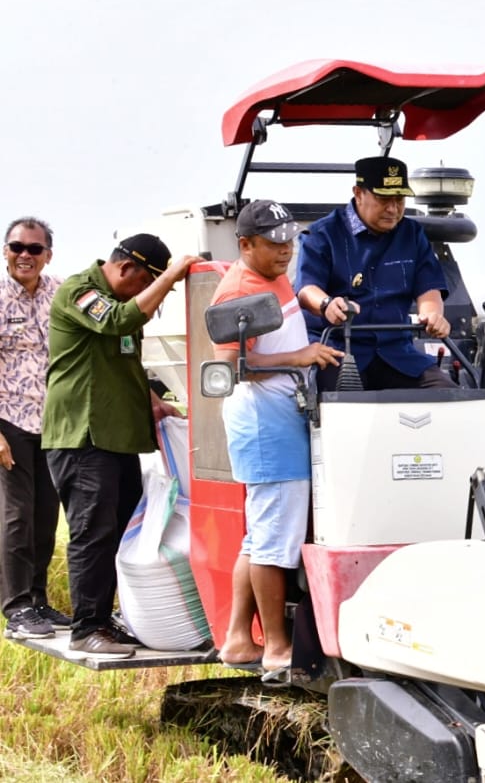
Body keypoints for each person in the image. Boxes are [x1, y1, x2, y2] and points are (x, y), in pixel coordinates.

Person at [42, 234, 199, 658]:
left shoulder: (119, 306)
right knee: (93, 533)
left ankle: (106, 618)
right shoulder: (80, 292)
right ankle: (86, 627)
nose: (151, 294)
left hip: (116, 439)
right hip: (83, 437)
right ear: (128, 269)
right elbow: (116, 323)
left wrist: (154, 402)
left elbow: (122, 357)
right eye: (148, 281)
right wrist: (169, 277)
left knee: (125, 529)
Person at [211, 201, 343, 673]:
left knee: (260, 538)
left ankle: (236, 640)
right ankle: (276, 648)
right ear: (245, 245)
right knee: (274, 543)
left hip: (281, 421)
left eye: (290, 240)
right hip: (267, 427)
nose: (286, 250)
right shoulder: (238, 292)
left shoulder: (271, 273)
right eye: (273, 243)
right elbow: (230, 367)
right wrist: (300, 356)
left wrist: (318, 305)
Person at [295, 155, 454, 391]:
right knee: (342, 407)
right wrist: (328, 304)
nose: (393, 208)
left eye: (399, 199)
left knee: (447, 394)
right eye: (383, 199)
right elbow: (306, 290)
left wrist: (433, 316)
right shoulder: (323, 234)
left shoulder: (412, 234)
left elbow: (428, 289)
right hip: (338, 350)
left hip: (397, 352)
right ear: (358, 193)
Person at [0, 218, 69, 640]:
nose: (25, 255)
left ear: (48, 254)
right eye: (16, 247)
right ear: (5, 251)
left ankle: (39, 602)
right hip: (8, 422)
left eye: (34, 249)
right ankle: (17, 608)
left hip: (54, 423)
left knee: (46, 516)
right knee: (15, 517)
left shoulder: (60, 292)